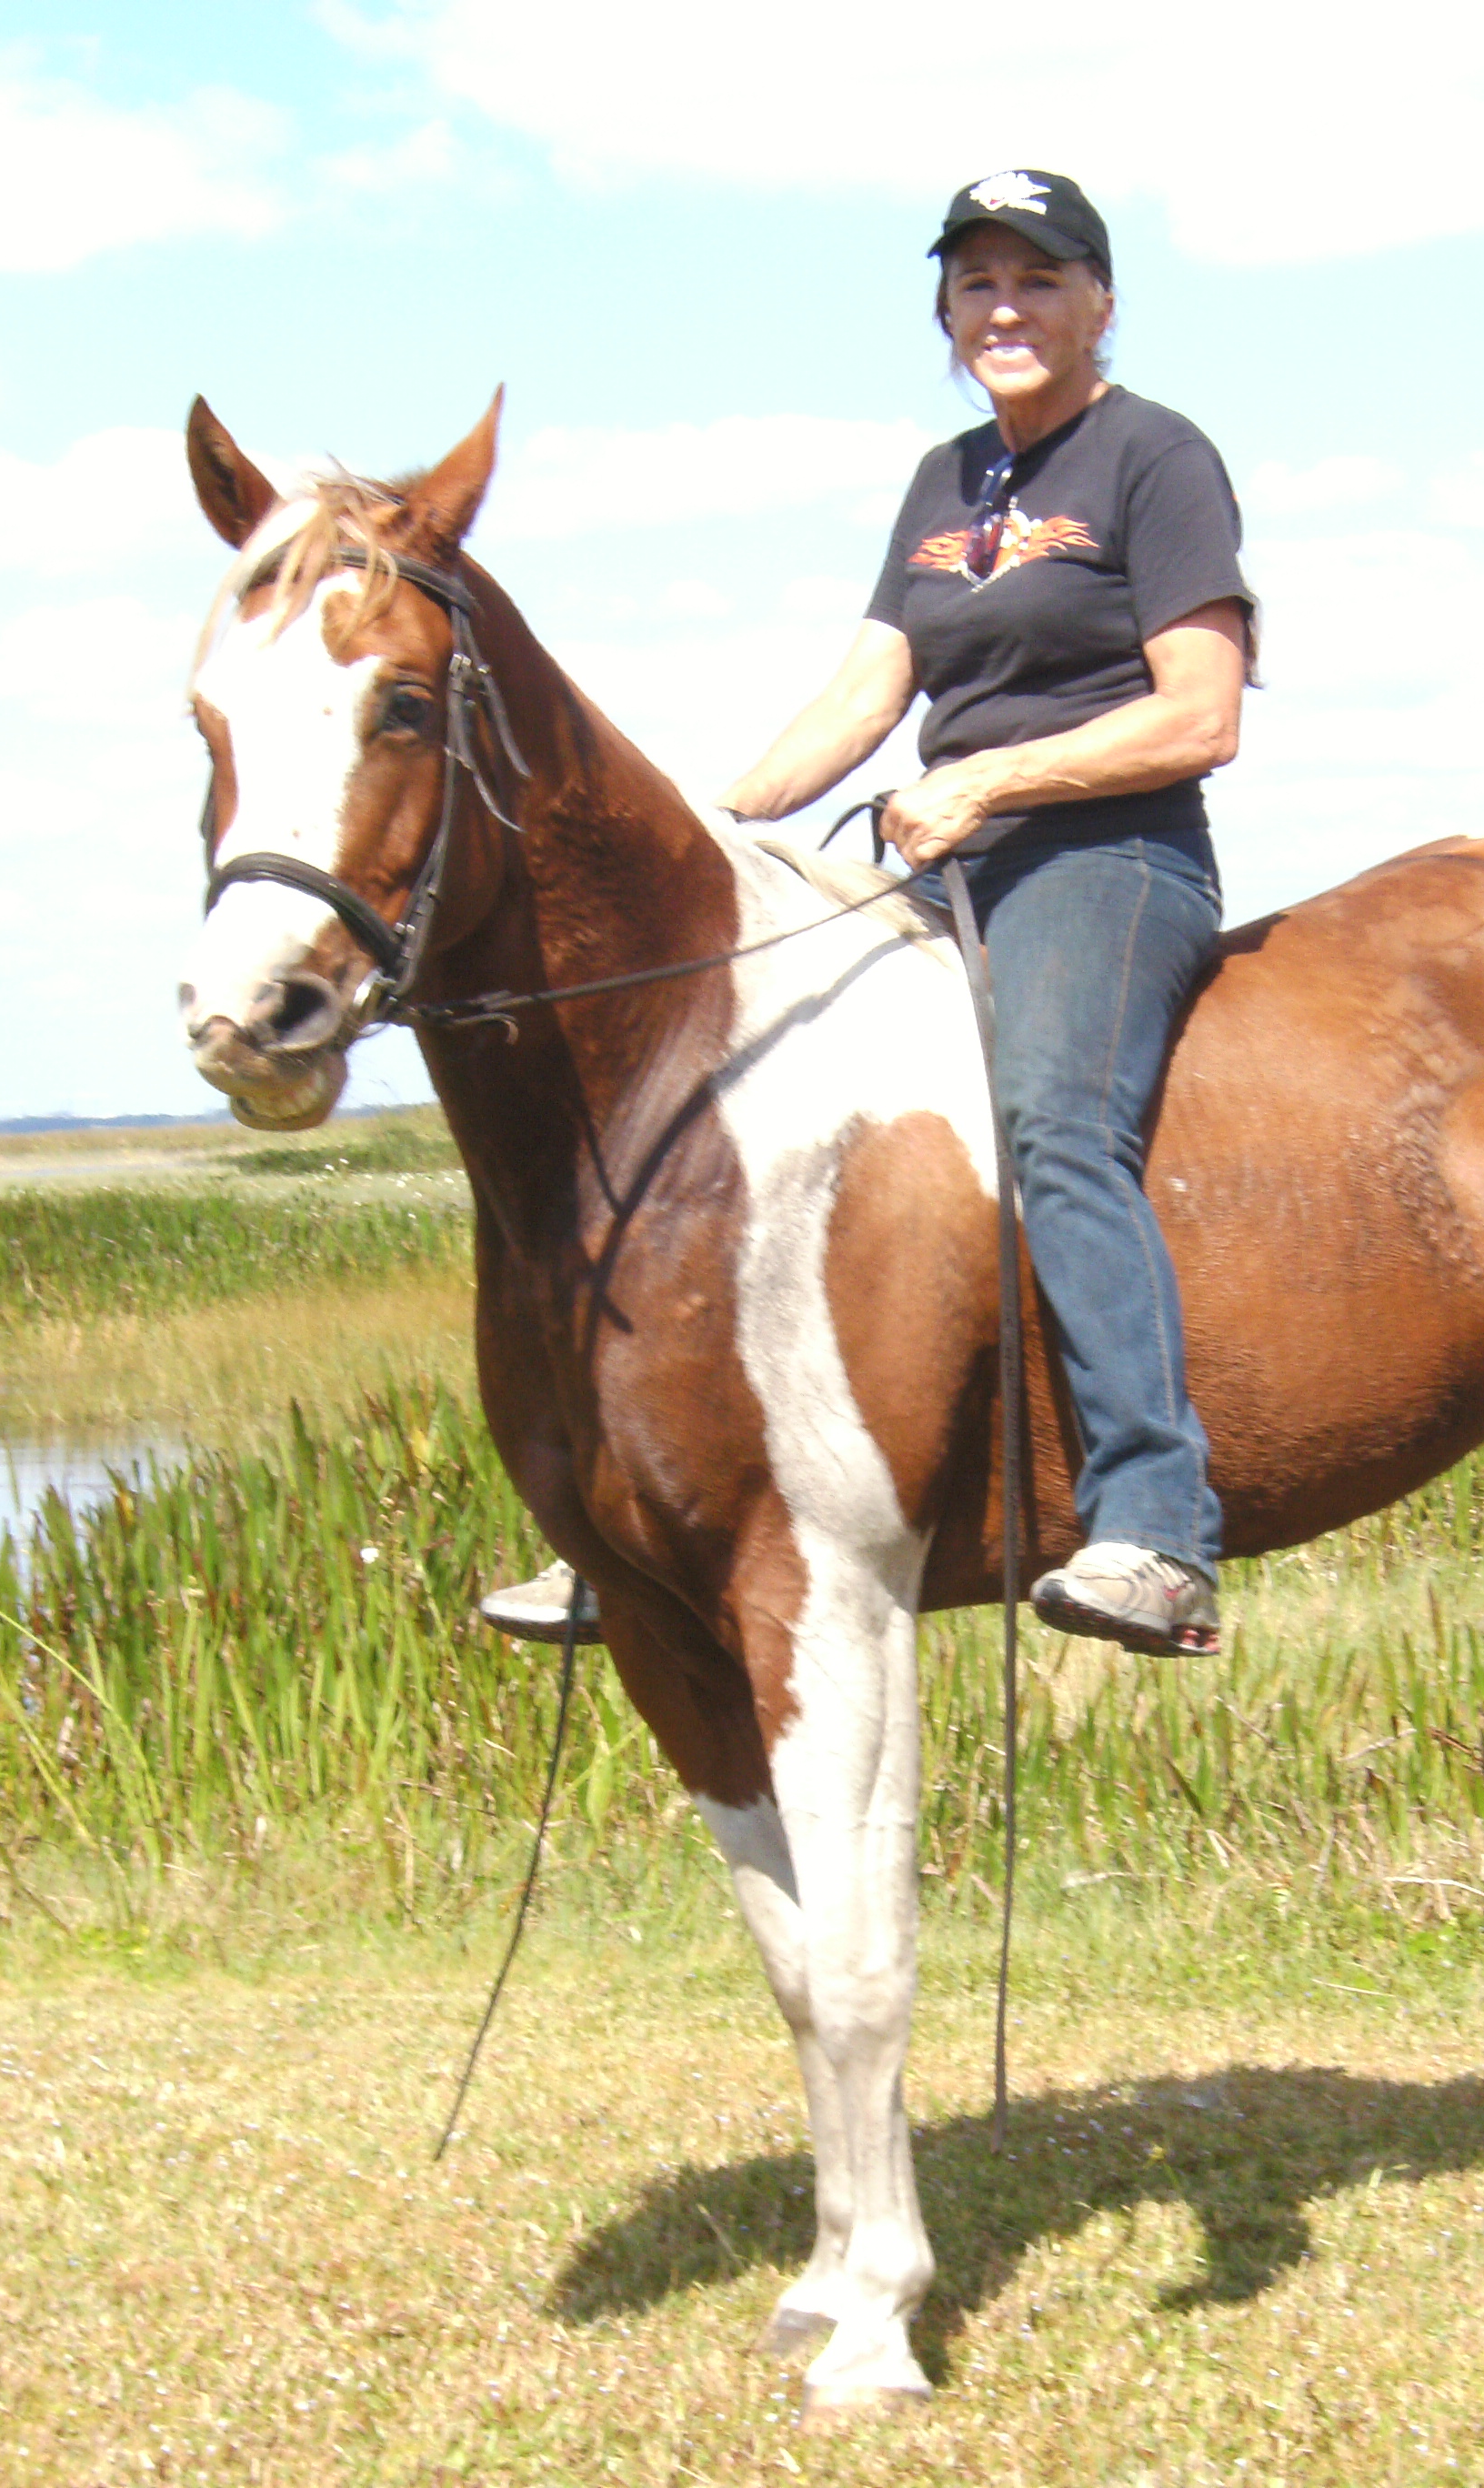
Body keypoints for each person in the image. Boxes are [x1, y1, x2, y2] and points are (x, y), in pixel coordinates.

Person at [484, 167, 1251, 1658]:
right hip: (944, 862)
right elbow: (864, 692)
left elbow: (1201, 714)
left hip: (1109, 859)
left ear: (1102, 303)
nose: (1007, 307)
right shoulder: (944, 480)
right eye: (977, 283)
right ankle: (652, 1512)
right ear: (947, 313)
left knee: (1057, 1127)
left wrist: (991, 781)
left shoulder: (1155, 457)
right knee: (735, 1116)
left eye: (1039, 278)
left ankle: (1158, 1525)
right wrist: (710, 829)